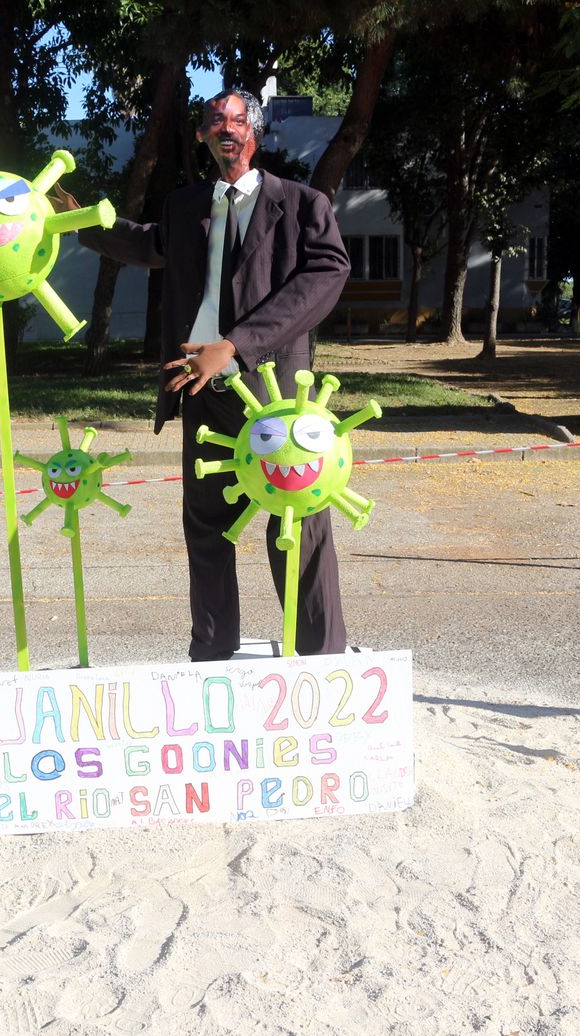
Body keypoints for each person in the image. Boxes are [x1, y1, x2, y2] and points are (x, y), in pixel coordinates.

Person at [53, 89, 351, 661]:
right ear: (202, 137)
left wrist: (236, 346)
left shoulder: (302, 204)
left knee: (297, 528)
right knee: (208, 530)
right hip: (203, 394)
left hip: (276, 401)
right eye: (215, 120)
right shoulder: (186, 206)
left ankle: (320, 663)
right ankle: (212, 659)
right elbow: (147, 243)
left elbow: (327, 275)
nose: (226, 127)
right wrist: (84, 222)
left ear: (254, 134)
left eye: (238, 119)